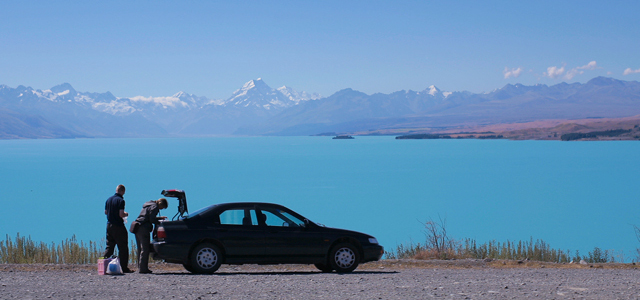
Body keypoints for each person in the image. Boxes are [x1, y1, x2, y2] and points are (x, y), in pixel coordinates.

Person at [102, 184, 133, 273]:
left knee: (109, 247)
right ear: (123, 191)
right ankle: (124, 268)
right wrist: (126, 214)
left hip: (109, 225)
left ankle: (102, 265)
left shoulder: (108, 199)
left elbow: (106, 212)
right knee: (123, 247)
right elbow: (121, 214)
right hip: (118, 226)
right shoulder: (121, 201)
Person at [134, 197, 168, 274]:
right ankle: (143, 269)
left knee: (140, 248)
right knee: (145, 248)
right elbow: (151, 219)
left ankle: (140, 267)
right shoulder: (155, 207)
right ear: (161, 204)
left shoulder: (148, 204)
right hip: (143, 228)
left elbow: (147, 216)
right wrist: (159, 222)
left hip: (137, 226)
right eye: (162, 208)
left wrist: (159, 218)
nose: (161, 209)